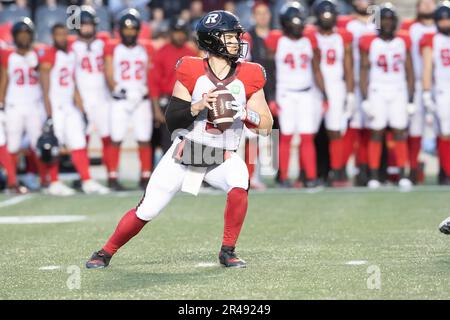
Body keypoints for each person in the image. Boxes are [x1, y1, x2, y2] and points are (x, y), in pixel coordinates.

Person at [85, 10, 273, 269]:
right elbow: (172, 120)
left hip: (220, 155)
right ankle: (105, 252)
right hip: (186, 152)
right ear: (213, 40)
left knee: (240, 179)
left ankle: (228, 251)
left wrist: (244, 113)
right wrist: (197, 106)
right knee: (148, 210)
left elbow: (267, 125)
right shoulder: (191, 69)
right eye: (230, 37)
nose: (237, 42)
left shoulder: (250, 74)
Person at [39, 23, 109, 195]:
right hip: (55, 105)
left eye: (64, 34)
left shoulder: (70, 53)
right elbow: (45, 87)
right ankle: (54, 182)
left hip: (69, 105)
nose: (62, 38)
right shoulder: (49, 54)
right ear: (53, 36)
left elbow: (73, 82)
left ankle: (86, 180)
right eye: (58, 35)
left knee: (78, 142)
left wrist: (80, 106)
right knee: (54, 143)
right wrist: (48, 114)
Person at [265, 1, 327, 188]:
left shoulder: (309, 39)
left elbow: (317, 69)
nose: (298, 26)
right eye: (294, 22)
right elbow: (270, 71)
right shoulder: (276, 40)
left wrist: (325, 95)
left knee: (308, 136)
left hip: (307, 93)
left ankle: (310, 176)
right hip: (286, 94)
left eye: (300, 22)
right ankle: (283, 177)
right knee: (287, 136)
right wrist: (272, 97)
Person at [359, 3, 415, 189]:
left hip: (398, 89)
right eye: (385, 20)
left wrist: (411, 99)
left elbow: (409, 72)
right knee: (376, 132)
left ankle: (402, 174)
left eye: (391, 20)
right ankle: (374, 175)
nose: (388, 24)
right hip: (377, 90)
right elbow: (364, 71)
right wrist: (365, 98)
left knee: (399, 132)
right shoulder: (371, 42)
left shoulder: (402, 42)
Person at [105, 9, 161, 190]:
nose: (129, 33)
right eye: (126, 29)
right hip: (120, 97)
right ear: (120, 30)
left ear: (138, 30)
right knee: (116, 137)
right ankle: (112, 177)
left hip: (141, 98)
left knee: (143, 138)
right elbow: (108, 73)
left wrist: (144, 89)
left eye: (132, 29)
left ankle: (145, 176)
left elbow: (151, 71)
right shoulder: (113, 48)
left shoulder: (146, 48)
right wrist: (118, 88)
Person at [71, 6, 117, 189]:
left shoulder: (103, 42)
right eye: (84, 24)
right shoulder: (72, 46)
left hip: (103, 97)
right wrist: (77, 98)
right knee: (82, 139)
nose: (87, 28)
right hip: (83, 98)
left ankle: (111, 175)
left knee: (108, 136)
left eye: (89, 24)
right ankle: (84, 177)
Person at [310, 0, 354, 187]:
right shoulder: (310, 35)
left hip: (336, 86)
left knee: (335, 131)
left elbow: (348, 66)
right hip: (312, 87)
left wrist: (350, 92)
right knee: (309, 132)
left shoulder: (342, 37)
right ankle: (311, 173)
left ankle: (337, 171)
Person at [0, 18, 45, 194]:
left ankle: (44, 179)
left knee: (38, 144)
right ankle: (12, 180)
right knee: (12, 145)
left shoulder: (38, 54)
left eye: (27, 34)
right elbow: (4, 79)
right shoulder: (9, 55)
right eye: (21, 35)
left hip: (34, 104)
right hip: (14, 104)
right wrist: (1, 102)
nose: (24, 38)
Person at [338, 0, 376, 186]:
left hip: (375, 80)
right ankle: (342, 168)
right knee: (350, 126)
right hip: (351, 78)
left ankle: (367, 168)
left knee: (372, 126)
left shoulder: (377, 18)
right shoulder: (346, 22)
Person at [400, 0, 437, 184]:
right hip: (415, 83)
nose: (428, 6)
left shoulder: (443, 27)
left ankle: (444, 171)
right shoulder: (409, 27)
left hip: (442, 85)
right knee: (413, 128)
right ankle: (412, 167)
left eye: (431, 2)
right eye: (424, 2)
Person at [151, 16, 196, 155]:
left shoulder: (191, 54)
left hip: (188, 102)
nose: (179, 35)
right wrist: (156, 109)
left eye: (182, 32)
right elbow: (154, 83)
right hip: (168, 101)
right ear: (170, 33)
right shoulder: (161, 53)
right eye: (176, 32)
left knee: (187, 140)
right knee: (167, 141)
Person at [421, 1, 450, 185]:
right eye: (442, 20)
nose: (445, 23)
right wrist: (426, 92)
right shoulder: (432, 39)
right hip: (442, 90)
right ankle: (446, 172)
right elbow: (427, 67)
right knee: (446, 133)